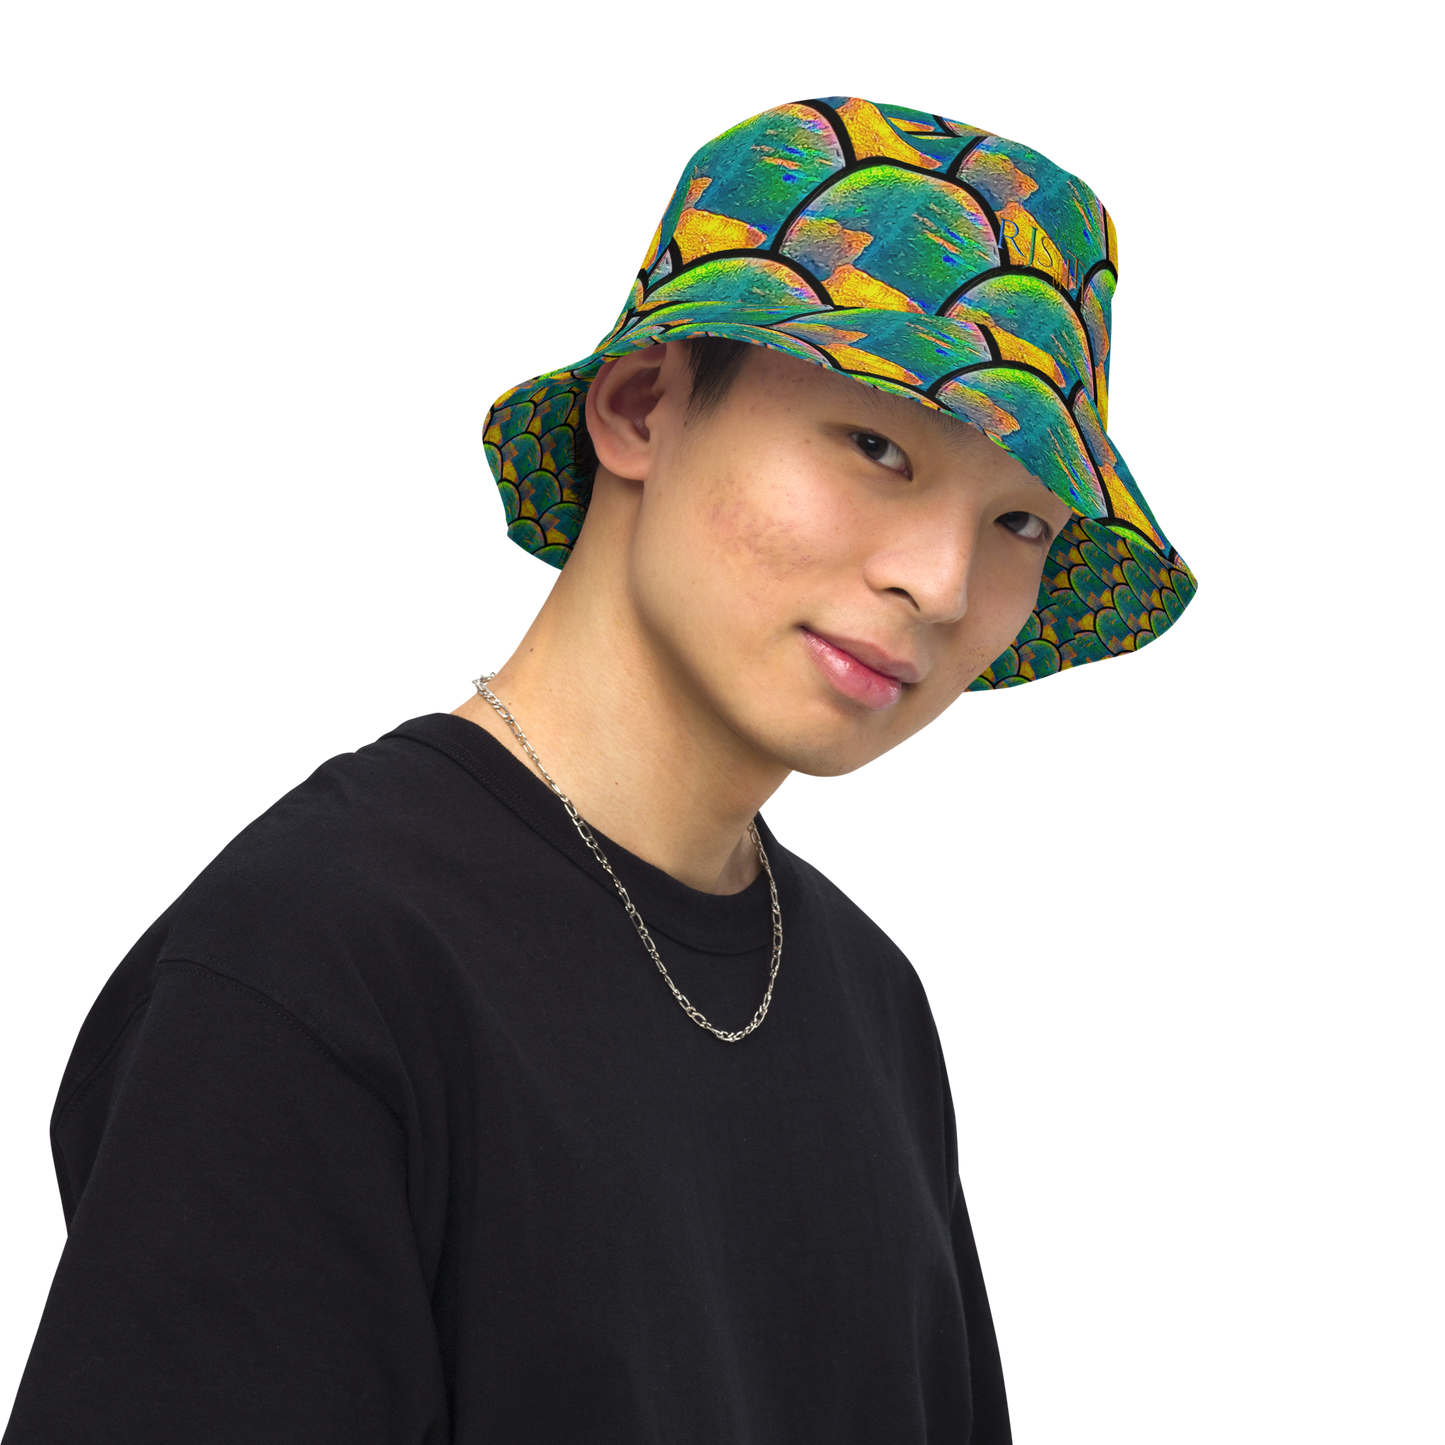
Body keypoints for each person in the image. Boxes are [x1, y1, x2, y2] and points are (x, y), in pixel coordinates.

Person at [5, 94, 1199, 1443]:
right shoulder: (312, 960)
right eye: (878, 449)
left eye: (1021, 522)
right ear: (641, 408)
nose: (941, 582)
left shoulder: (877, 1004)